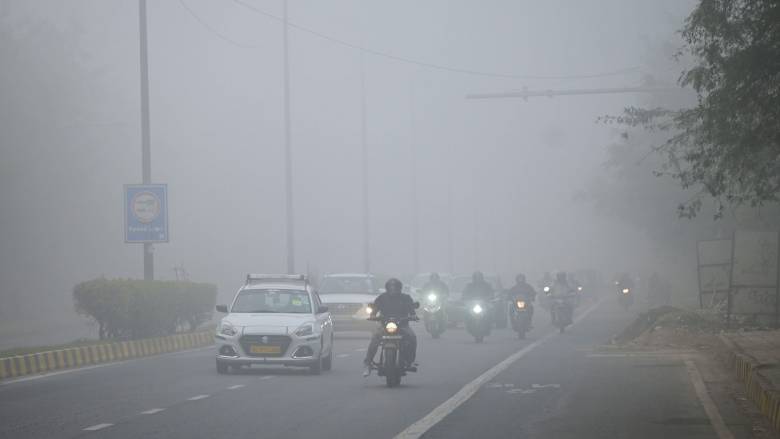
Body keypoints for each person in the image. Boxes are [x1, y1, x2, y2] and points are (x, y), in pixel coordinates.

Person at [363, 278, 418, 377]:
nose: (393, 289)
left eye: (395, 287)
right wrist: (373, 315)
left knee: (412, 337)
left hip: (402, 325)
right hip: (385, 325)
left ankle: (410, 361)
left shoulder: (405, 298)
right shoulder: (382, 298)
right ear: (387, 288)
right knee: (375, 338)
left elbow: (411, 309)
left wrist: (413, 315)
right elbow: (375, 308)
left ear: (399, 288)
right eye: (391, 287)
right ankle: (368, 363)